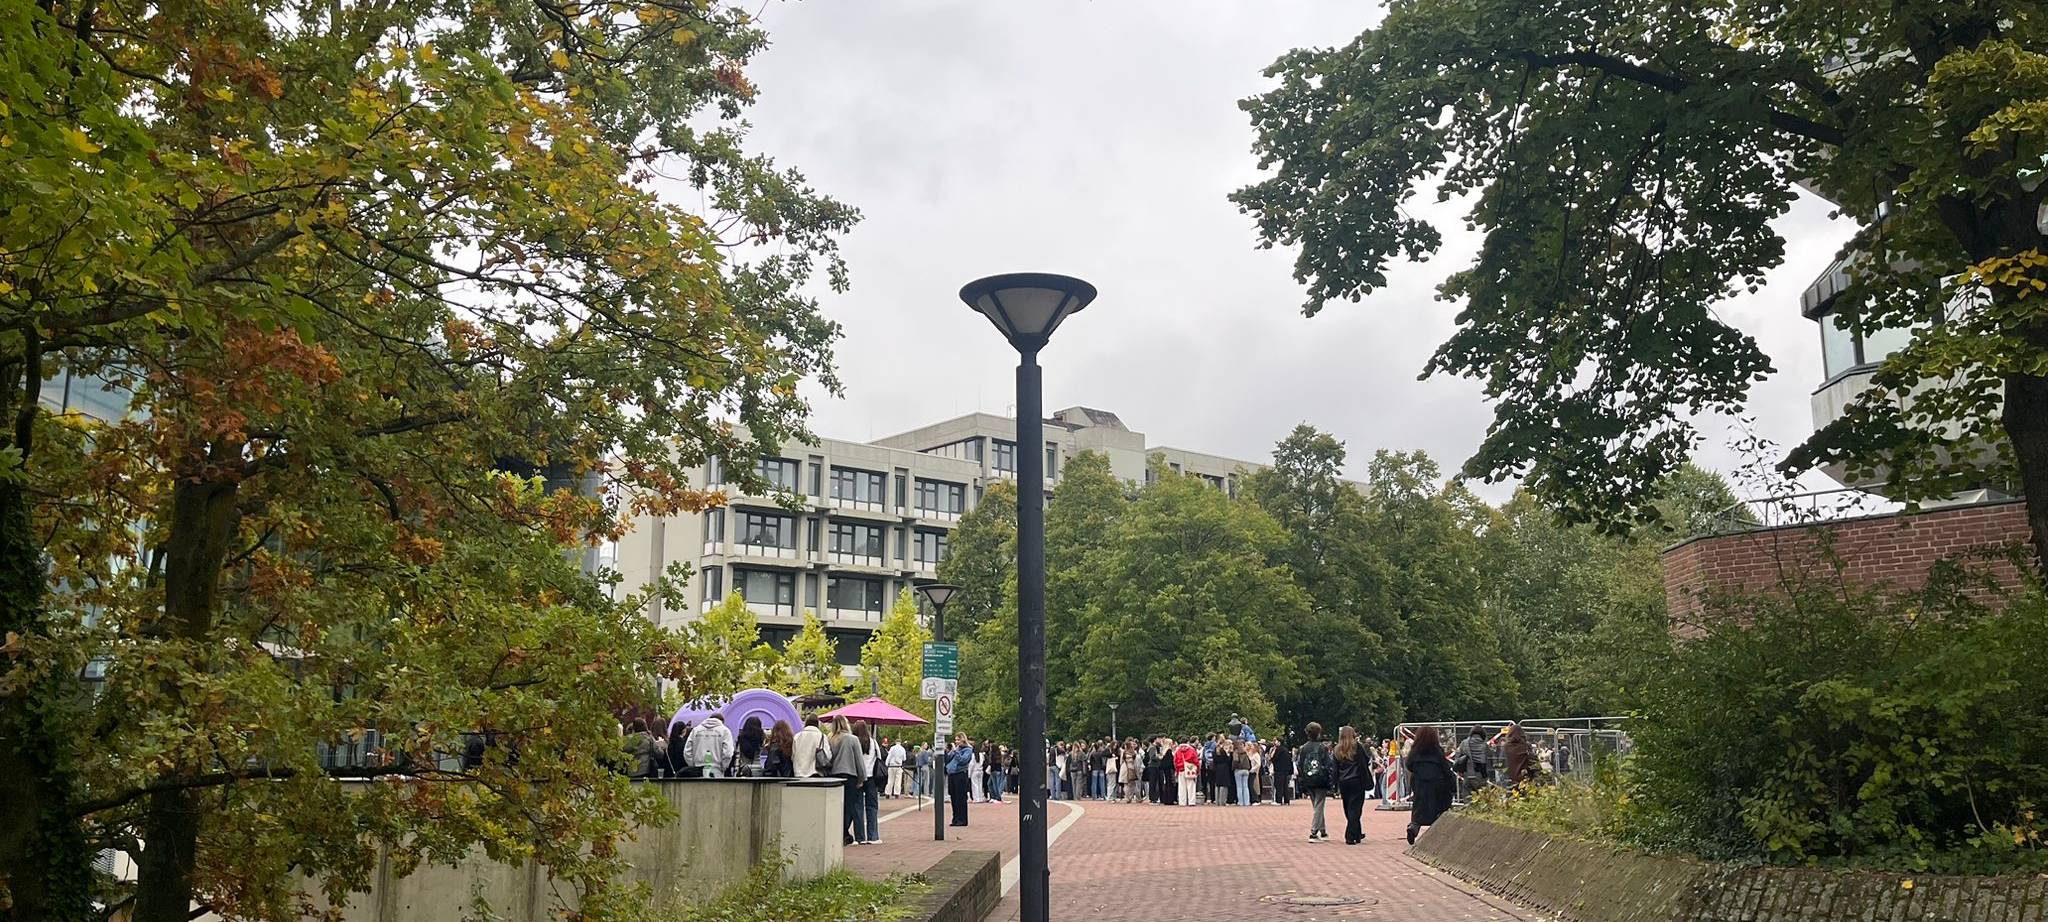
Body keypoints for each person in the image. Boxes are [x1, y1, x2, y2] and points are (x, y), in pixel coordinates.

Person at [1404, 726, 1456, 845]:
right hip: (1437, 783)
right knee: (1438, 807)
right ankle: (1436, 830)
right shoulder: (1437, 751)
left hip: (1420, 783)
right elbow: (1445, 768)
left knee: (1419, 807)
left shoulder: (1415, 751)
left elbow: (1409, 765)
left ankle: (1414, 826)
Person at [825, 716, 865, 845]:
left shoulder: (829, 739)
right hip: (850, 775)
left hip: (833, 775)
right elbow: (859, 760)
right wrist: (862, 777)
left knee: (836, 805)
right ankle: (843, 831)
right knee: (849, 806)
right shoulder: (852, 739)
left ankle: (838, 831)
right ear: (845, 724)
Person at [1334, 726, 1373, 845]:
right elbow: (1365, 762)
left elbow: (1335, 768)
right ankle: (1350, 835)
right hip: (1357, 780)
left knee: (1348, 807)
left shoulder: (1337, 749)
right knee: (1355, 808)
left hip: (1343, 782)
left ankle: (1357, 833)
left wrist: (1335, 784)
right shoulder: (1357, 747)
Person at [1297, 722, 1333, 841]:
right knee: (1319, 804)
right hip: (1321, 779)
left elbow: (1300, 765)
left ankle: (1323, 831)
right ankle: (1313, 832)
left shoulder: (1303, 748)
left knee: (1316, 805)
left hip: (1308, 779)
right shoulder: (1323, 748)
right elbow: (1328, 764)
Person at [683, 712, 733, 778]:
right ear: (722, 721)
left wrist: (693, 765)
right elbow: (727, 753)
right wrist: (723, 767)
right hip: (716, 770)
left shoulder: (695, 730)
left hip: (698, 770)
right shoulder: (725, 731)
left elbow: (687, 752)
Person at [861, 723, 884, 843]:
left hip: (858, 777)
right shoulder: (873, 742)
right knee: (872, 807)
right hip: (871, 777)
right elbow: (879, 757)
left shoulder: (855, 741)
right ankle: (873, 835)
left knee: (857, 807)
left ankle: (859, 836)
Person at [1454, 726, 1492, 798]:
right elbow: (1489, 759)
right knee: (1482, 798)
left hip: (1467, 775)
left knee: (1467, 797)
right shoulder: (1485, 745)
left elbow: (1457, 758)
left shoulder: (1464, 743)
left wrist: (1460, 771)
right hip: (1481, 776)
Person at [946, 734, 974, 826]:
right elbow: (949, 759)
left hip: (960, 774)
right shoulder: (956, 749)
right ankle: (955, 818)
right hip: (952, 773)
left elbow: (963, 760)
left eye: (958, 740)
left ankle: (962, 819)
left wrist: (956, 752)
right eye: (955, 740)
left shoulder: (968, 750)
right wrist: (949, 752)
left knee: (960, 797)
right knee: (953, 796)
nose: (956, 742)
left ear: (963, 740)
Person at [1175, 738, 1200, 806]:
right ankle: (1191, 801)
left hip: (1181, 769)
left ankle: (1182, 802)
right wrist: (1197, 769)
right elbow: (1196, 760)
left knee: (1182, 786)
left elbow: (1175, 761)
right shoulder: (1191, 750)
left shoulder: (1178, 750)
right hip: (1190, 769)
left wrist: (1177, 770)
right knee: (1191, 786)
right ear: (1188, 742)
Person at [1232, 737, 1253, 806]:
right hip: (1246, 769)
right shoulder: (1245, 752)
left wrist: (1233, 767)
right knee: (1245, 786)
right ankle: (1246, 802)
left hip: (1238, 769)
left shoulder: (1236, 752)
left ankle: (1241, 802)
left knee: (1239, 787)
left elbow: (1235, 761)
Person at [1271, 740, 1294, 805]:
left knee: (1279, 785)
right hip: (1286, 770)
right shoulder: (1286, 750)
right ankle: (1287, 800)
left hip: (1279, 770)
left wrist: (1272, 757)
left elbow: (1274, 759)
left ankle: (1279, 800)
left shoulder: (1278, 750)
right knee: (1285, 785)